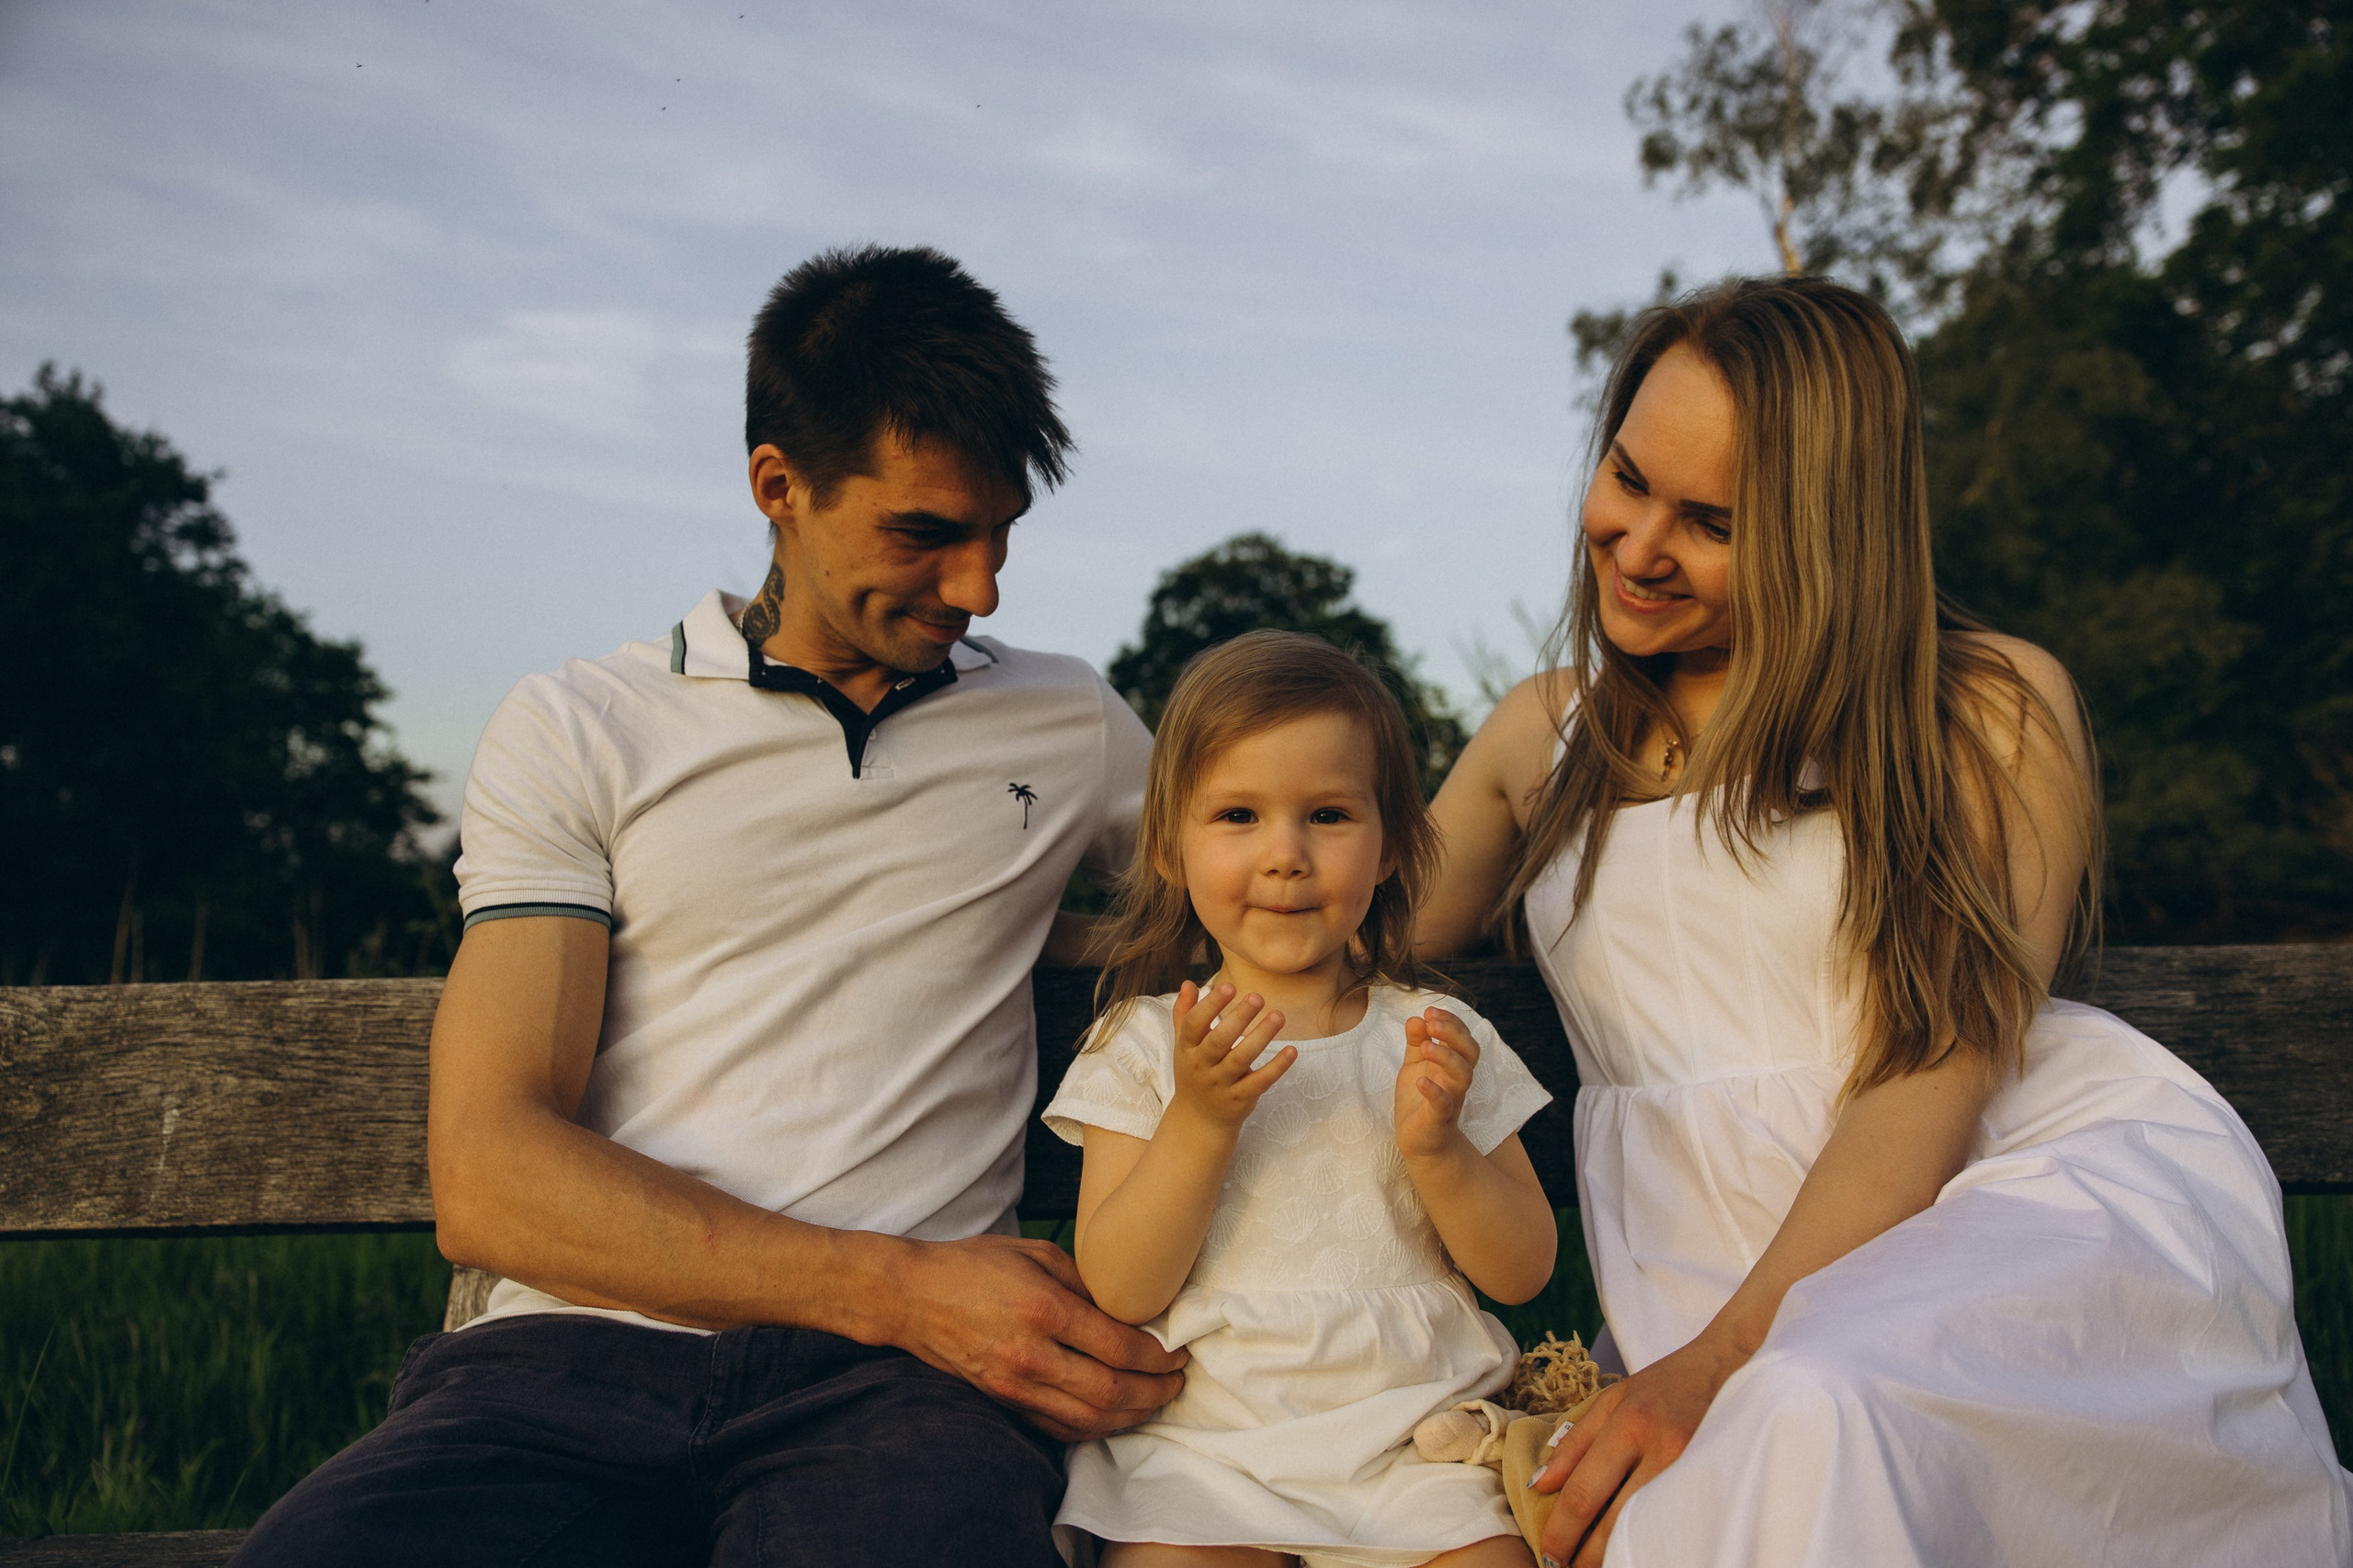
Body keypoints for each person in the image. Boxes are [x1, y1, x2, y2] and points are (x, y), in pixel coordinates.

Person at [231, 244, 1186, 1568]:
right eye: (925, 533)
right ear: (777, 486)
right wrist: (903, 1287)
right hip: (569, 1359)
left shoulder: (1064, 717)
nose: (979, 587)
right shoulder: (583, 724)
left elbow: (1336, 897)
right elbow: (491, 1174)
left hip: (897, 1403)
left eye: (1001, 532)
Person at [1420, 275, 2353, 1567]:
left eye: (1712, 523)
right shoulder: (1547, 736)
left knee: (1821, 1403)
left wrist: (1721, 1357)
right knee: (1770, 1446)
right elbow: (1327, 936)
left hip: (2000, 1204)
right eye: (1627, 478)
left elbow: (1933, 1071)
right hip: (1702, 1273)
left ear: (1828, 533)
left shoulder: (1984, 709)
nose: (1636, 547)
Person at [1043, 630, 1559, 1568]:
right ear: (1167, 847)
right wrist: (1200, 1120)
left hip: (1414, 1441)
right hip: (1206, 1446)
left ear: (1392, 845)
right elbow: (1120, 1285)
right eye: (1237, 815)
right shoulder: (1146, 1043)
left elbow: (1523, 1270)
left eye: (1327, 814)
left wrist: (1440, 1152)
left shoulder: (1435, 1036)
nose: (1285, 854)